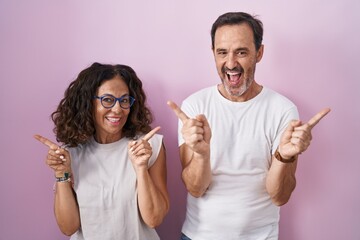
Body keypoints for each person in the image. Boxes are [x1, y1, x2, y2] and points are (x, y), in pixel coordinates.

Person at [167, 12, 330, 239]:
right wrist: (202, 155)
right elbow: (196, 188)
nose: (231, 63)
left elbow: (279, 196)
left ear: (259, 53)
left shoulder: (283, 110)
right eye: (222, 52)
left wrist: (283, 157)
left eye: (241, 52)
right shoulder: (194, 107)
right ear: (213, 53)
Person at [34, 62, 169, 240]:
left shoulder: (148, 147)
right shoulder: (70, 154)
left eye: (125, 100)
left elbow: (154, 219)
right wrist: (62, 174)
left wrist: (141, 168)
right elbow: (68, 228)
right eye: (107, 100)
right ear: (87, 103)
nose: (118, 109)